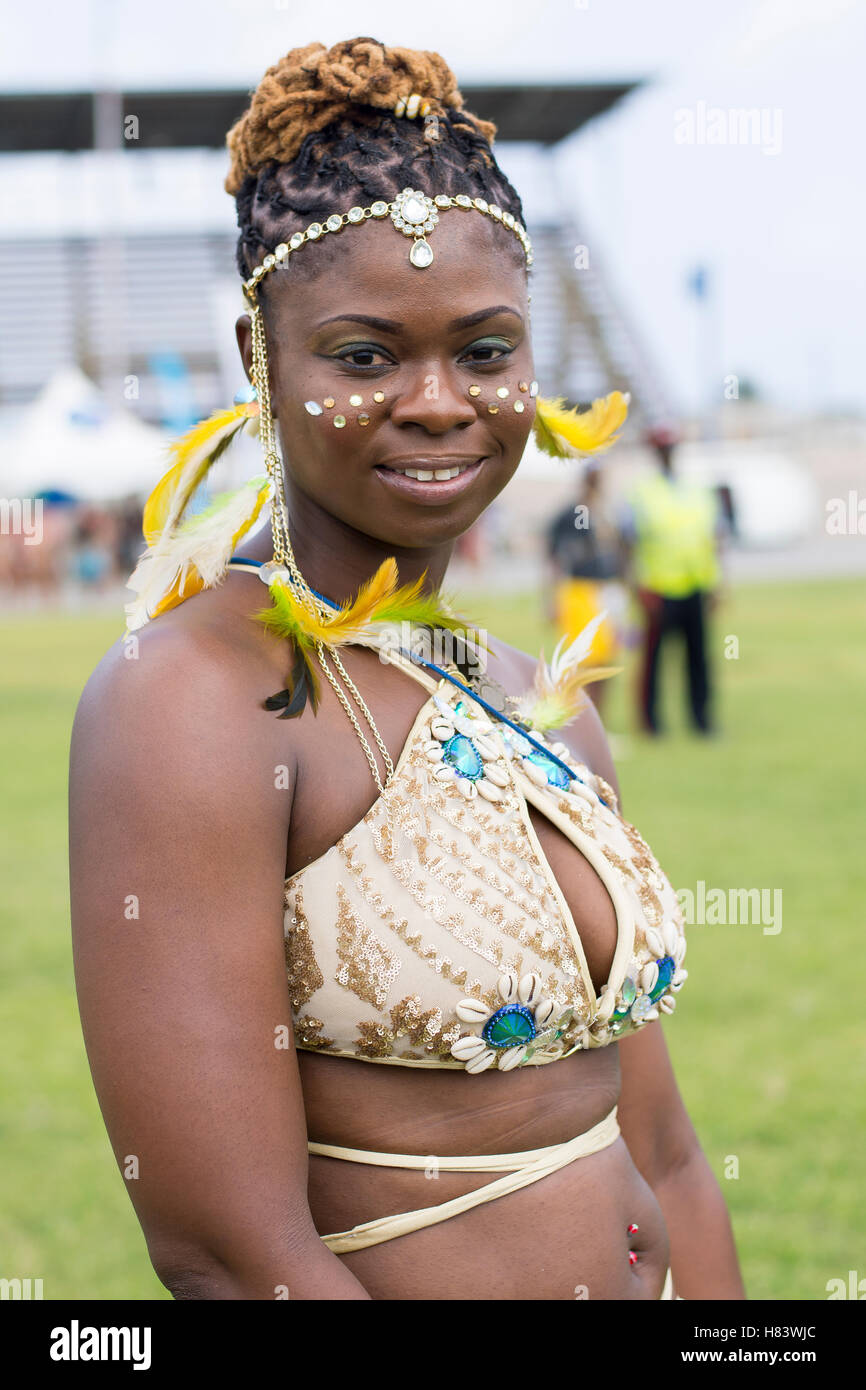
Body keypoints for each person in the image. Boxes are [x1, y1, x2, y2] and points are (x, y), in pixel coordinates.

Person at [69, 37, 744, 1301]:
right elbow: (231, 1254)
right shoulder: (190, 698)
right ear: (261, 360)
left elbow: (664, 1150)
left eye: (484, 351)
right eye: (366, 356)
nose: (439, 401)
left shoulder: (535, 699)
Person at [622, 427, 722, 736]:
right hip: (658, 588)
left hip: (696, 587)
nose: (667, 454)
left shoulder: (697, 490)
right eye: (662, 449)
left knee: (699, 660)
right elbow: (627, 543)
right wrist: (635, 585)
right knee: (653, 661)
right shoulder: (641, 493)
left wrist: (717, 583)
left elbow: (714, 539)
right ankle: (651, 723)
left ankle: (702, 720)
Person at [545, 462, 625, 715]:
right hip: (581, 591)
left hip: (606, 590)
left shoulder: (605, 511)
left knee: (606, 657)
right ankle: (581, 721)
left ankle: (599, 720)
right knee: (586, 660)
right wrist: (552, 598)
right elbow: (556, 557)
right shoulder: (573, 514)